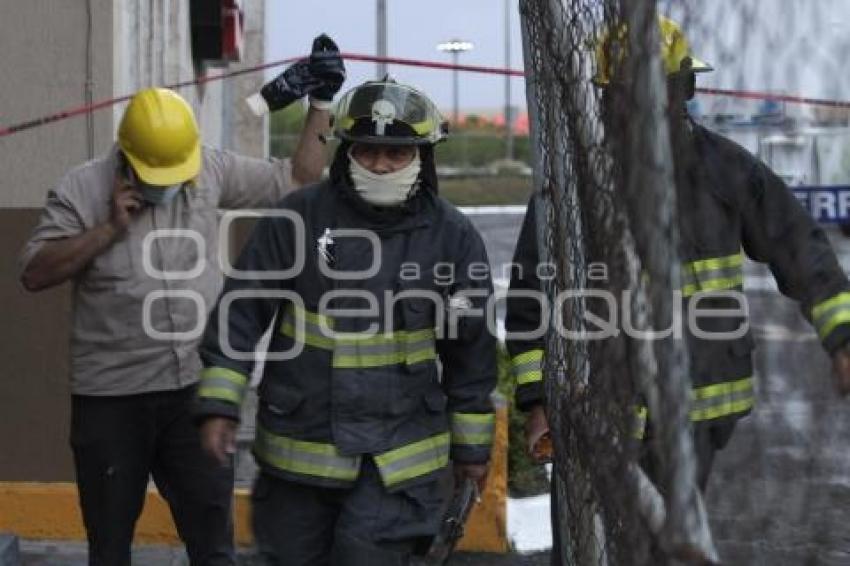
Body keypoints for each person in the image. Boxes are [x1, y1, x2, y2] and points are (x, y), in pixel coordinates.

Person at [505, 14, 850, 562]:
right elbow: (529, 292)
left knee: (655, 541)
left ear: (683, 90)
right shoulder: (571, 184)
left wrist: (842, 335)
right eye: (626, 96)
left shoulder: (726, 170)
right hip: (602, 406)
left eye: (656, 93)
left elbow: (800, 247)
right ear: (604, 97)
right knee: (608, 538)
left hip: (697, 407)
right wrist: (538, 398)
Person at [17, 34, 345, 566]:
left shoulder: (206, 169)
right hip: (111, 400)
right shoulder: (80, 189)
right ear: (127, 154)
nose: (170, 184)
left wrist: (322, 104)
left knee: (214, 546)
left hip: (196, 395)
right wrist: (107, 229)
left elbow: (297, 182)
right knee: (109, 546)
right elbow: (34, 273)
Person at [196, 78, 497, 566]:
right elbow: (241, 311)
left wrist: (472, 452)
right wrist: (218, 403)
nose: (380, 164)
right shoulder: (298, 219)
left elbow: (471, 354)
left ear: (423, 156)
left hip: (397, 469)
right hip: (299, 460)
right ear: (345, 151)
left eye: (395, 154)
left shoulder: (452, 238)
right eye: (367, 151)